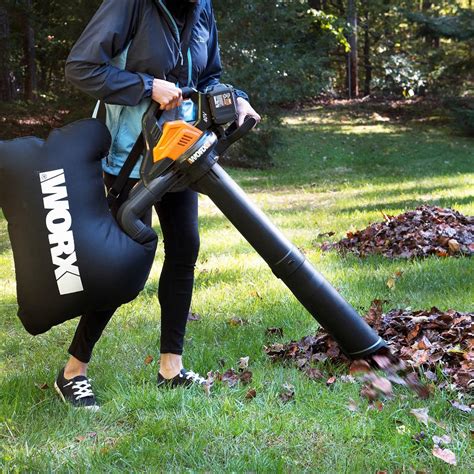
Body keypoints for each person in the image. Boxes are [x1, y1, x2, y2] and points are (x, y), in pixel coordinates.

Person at [54, 0, 261, 409]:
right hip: (129, 158)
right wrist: (147, 86)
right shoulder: (131, 4)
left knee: (184, 250)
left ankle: (171, 368)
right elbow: (81, 67)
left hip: (180, 150)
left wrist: (235, 99)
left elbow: (208, 76)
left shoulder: (201, 7)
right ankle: (72, 372)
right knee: (123, 261)